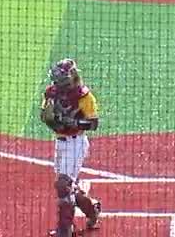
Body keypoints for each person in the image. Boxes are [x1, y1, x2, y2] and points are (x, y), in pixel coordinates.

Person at [40, 59, 102, 237]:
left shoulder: (83, 96)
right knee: (68, 187)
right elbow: (45, 116)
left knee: (63, 184)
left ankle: (65, 229)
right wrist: (49, 118)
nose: (55, 82)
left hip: (76, 143)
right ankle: (92, 210)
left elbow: (93, 123)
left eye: (59, 78)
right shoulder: (51, 93)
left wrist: (73, 122)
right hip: (60, 143)